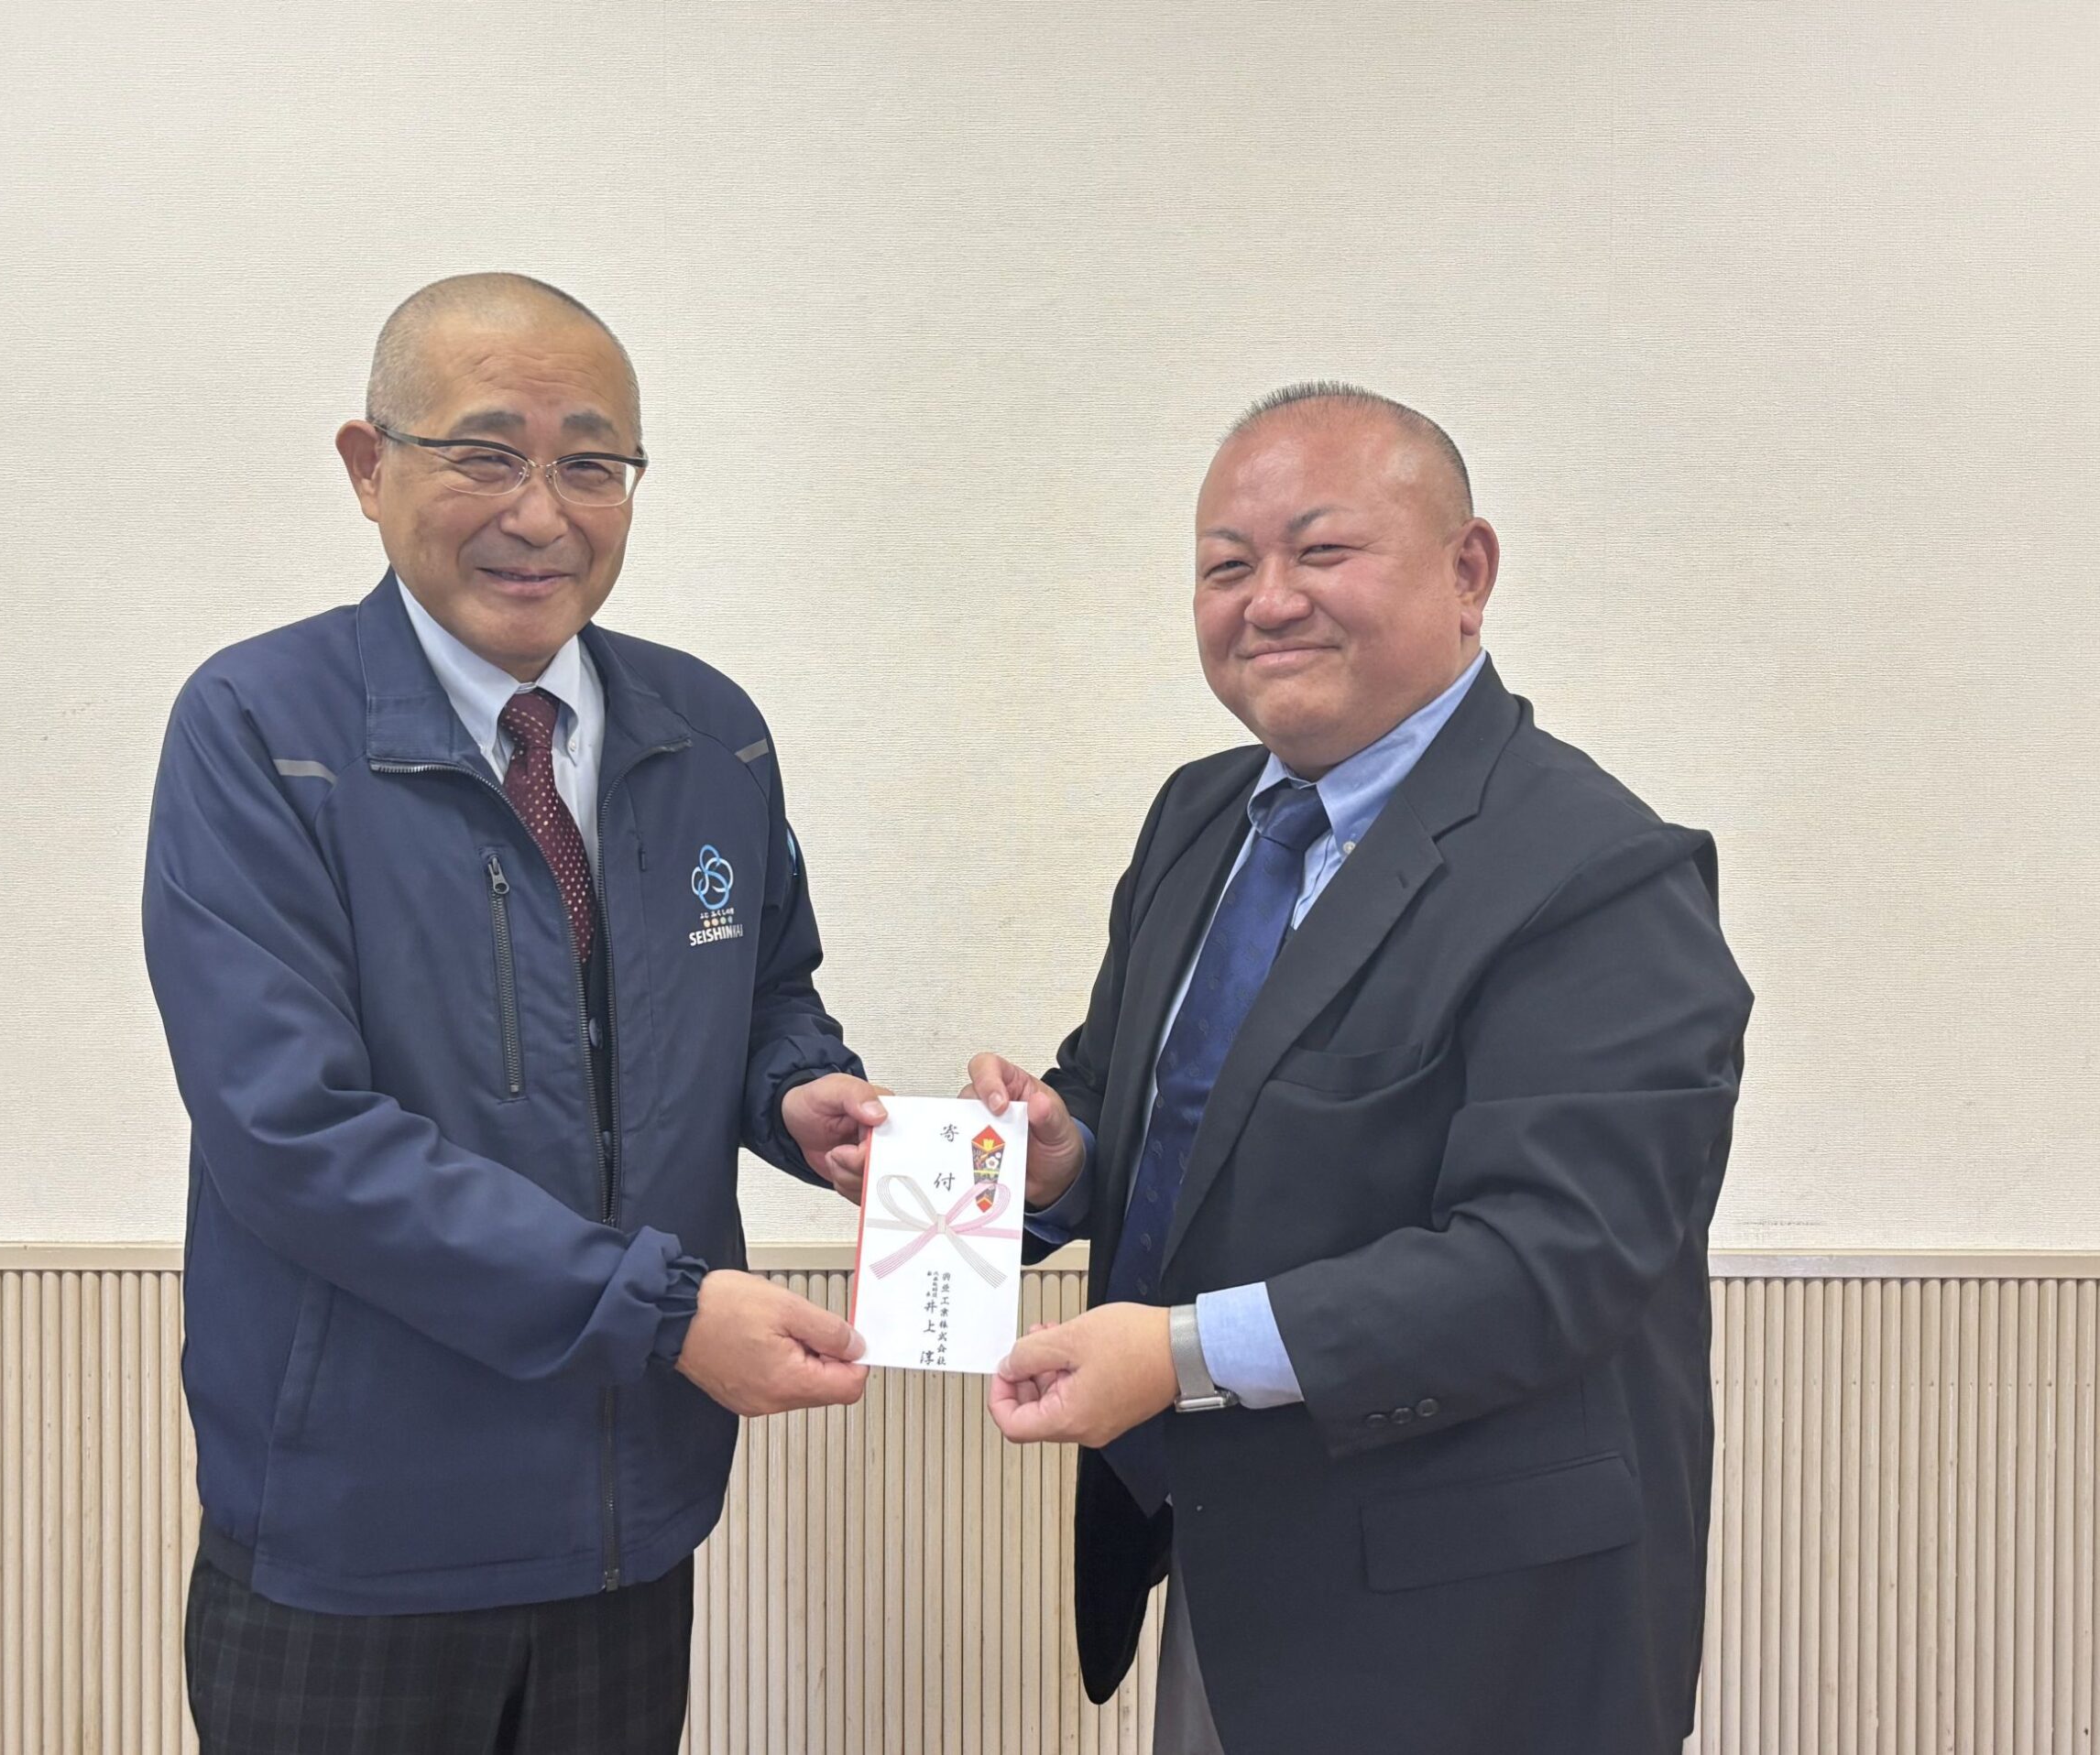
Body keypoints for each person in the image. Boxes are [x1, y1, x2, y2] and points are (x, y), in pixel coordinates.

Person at [143, 272, 886, 1755]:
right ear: (369, 467)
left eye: (591, 465)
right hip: (360, 1542)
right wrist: (664, 1312)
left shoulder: (711, 732)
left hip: (630, 1522)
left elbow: (763, 991)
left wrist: (801, 1094)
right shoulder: (259, 730)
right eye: (485, 454)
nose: (540, 515)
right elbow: (294, 1138)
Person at [962, 385, 1753, 1754]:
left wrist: (1180, 1354)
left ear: (1469, 572)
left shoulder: (1598, 870)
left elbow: (1552, 1257)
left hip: (1475, 1630)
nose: (1269, 601)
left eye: (1322, 551)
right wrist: (1066, 1155)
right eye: (1227, 566)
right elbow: (1146, 1095)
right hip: (1225, 1565)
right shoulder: (1201, 816)